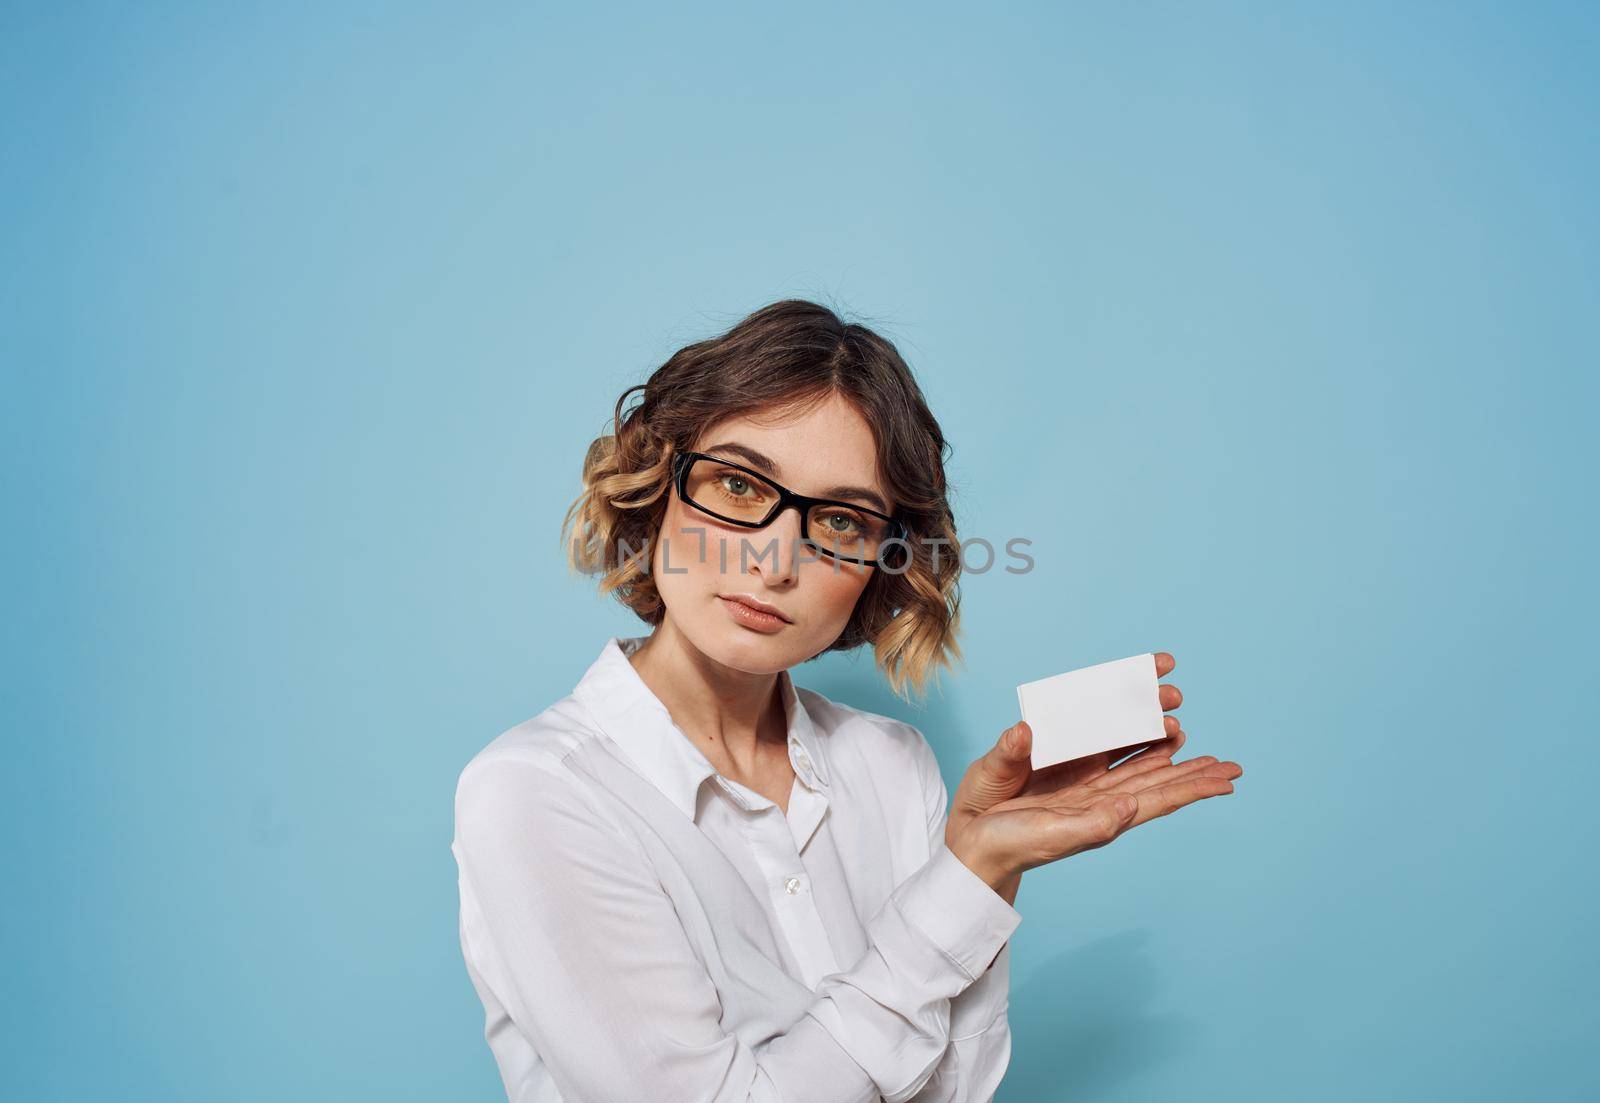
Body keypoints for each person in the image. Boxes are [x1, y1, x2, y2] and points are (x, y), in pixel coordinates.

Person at [450, 300, 1244, 1102]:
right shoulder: (538, 792)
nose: (773, 558)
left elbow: (954, 1092)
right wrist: (951, 892)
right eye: (736, 481)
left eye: (837, 518)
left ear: (881, 559)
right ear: (659, 488)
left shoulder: (892, 765)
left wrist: (985, 869)